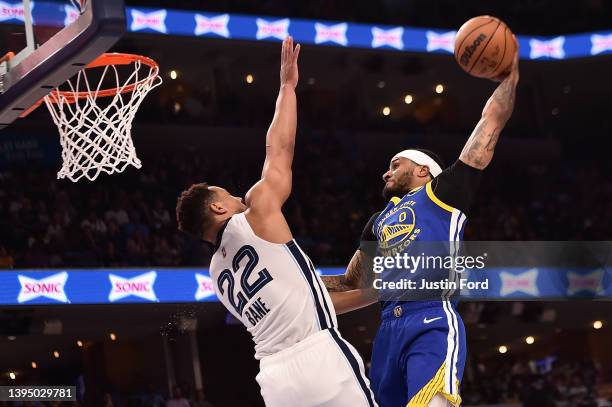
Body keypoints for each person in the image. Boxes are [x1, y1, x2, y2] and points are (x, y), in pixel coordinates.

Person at [176, 37, 377, 407]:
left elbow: (306, 299)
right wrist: (287, 86)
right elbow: (279, 149)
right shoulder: (256, 214)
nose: (239, 196)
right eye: (229, 196)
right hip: (318, 358)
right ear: (218, 209)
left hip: (275, 380)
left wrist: (374, 293)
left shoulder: (217, 274)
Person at [322, 40, 520, 407]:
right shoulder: (378, 221)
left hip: (431, 318)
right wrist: (301, 280)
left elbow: (491, 120)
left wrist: (509, 76)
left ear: (422, 169)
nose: (386, 171)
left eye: (395, 164)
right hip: (387, 330)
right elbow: (354, 281)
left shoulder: (445, 193)